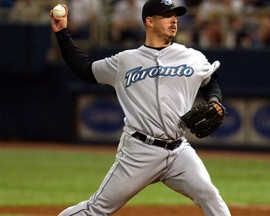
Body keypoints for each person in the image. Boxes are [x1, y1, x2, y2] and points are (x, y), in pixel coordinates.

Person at [50, 0, 231, 215]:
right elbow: (85, 69)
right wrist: (62, 33)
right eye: (167, 15)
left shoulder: (192, 57)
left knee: (210, 195)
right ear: (149, 21)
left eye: (175, 15)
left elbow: (210, 82)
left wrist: (215, 101)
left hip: (179, 152)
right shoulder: (126, 61)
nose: (174, 20)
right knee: (98, 209)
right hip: (139, 151)